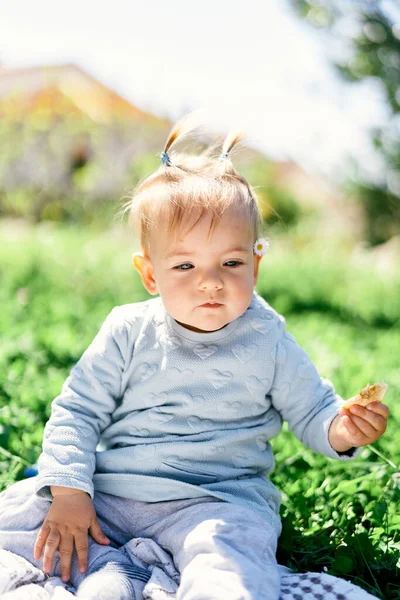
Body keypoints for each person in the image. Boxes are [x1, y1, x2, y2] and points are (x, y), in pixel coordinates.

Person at [0, 118, 390, 600]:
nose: (211, 281)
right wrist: (71, 492)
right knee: (20, 516)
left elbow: (312, 409)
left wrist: (343, 429)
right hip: (117, 494)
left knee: (229, 558)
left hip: (218, 503)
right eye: (185, 266)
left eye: (231, 263)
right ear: (149, 274)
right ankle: (105, 569)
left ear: (256, 263)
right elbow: (78, 411)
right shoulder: (128, 330)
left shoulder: (267, 336)